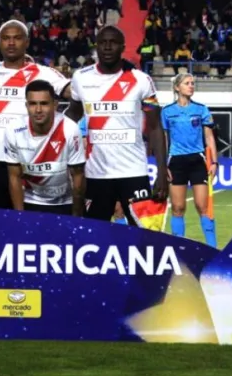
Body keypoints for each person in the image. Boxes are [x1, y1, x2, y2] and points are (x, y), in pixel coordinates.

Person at [68, 26, 170, 227]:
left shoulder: (141, 80)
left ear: (123, 47)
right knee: (94, 236)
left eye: (112, 42)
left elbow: (155, 127)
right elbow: (72, 114)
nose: (107, 47)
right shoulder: (81, 77)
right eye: (102, 43)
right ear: (96, 47)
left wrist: (162, 171)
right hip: (95, 174)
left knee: (144, 237)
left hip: (134, 173)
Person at [0, 20, 71, 209]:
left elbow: (71, 91)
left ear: (27, 42)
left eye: (17, 38)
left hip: (32, 158)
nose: (11, 43)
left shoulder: (43, 73)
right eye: (6, 38)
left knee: (32, 219)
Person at [5, 80, 86, 216]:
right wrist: (19, 217)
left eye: (44, 103)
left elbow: (78, 176)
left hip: (65, 202)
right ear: (26, 105)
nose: (38, 110)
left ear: (55, 105)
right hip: (31, 201)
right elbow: (14, 177)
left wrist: (76, 217)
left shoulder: (70, 129)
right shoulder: (13, 130)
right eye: (32, 104)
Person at [160, 73, 219, 247]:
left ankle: (212, 248)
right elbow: (163, 140)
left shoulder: (201, 109)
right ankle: (178, 250)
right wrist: (163, 165)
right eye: (187, 83)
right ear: (177, 87)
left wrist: (214, 162)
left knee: (203, 207)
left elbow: (209, 137)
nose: (191, 86)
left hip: (197, 162)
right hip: (176, 162)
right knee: (178, 208)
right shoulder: (167, 111)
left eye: (193, 83)